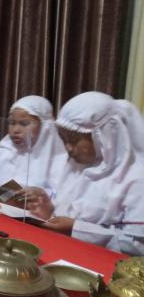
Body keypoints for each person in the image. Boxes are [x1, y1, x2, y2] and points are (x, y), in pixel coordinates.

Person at [25, 92, 144, 255]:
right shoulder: (77, 166)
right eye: (64, 140)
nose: (68, 148)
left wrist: (76, 229)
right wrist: (49, 209)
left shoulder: (136, 177)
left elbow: (136, 245)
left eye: (73, 140)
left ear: (103, 136)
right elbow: (69, 213)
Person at [0, 96, 67, 197]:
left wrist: (42, 193)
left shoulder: (59, 158)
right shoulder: (4, 149)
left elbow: (65, 198)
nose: (15, 130)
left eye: (24, 123)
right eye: (12, 123)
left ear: (44, 127)